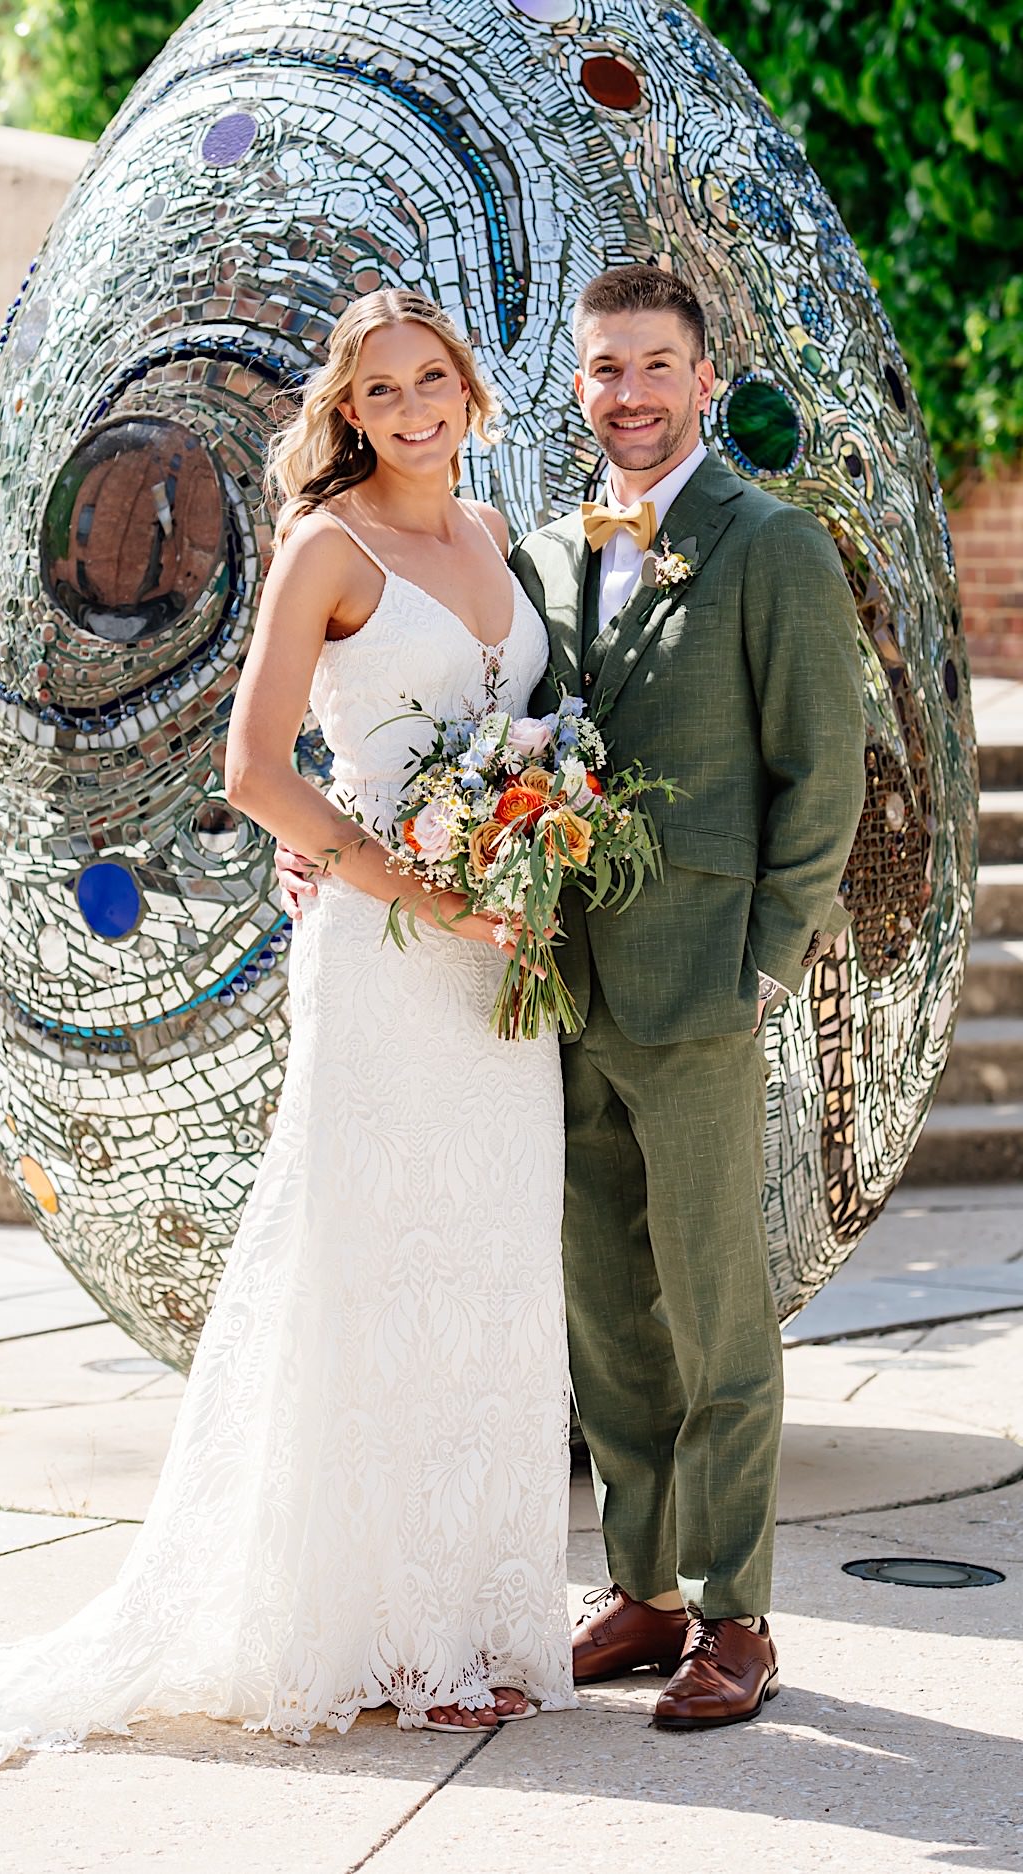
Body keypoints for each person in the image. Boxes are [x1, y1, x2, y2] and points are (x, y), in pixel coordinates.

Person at [0, 289, 576, 1773]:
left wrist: (535, 851)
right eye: (382, 391)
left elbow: (529, 724)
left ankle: (485, 1614)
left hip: (503, 965)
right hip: (394, 950)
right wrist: (419, 883)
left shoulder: (491, 541)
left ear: (471, 394)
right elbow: (256, 768)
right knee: (380, 1267)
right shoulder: (326, 550)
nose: (412, 408)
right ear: (347, 414)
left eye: (433, 381)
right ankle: (401, 1634)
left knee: (485, 1267)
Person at [282, 262, 866, 1732]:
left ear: (702, 373)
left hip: (698, 993)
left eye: (658, 368)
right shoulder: (532, 551)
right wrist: (335, 853)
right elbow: (465, 731)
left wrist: (763, 963)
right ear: (576, 385)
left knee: (719, 1306)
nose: (632, 396)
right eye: (607, 370)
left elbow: (825, 778)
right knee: (607, 1314)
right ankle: (646, 1586)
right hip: (539, 987)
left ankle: (735, 1615)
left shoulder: (772, 547)